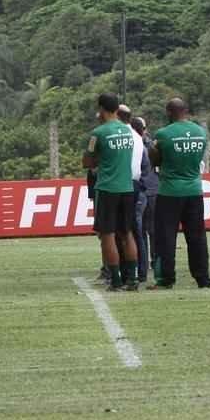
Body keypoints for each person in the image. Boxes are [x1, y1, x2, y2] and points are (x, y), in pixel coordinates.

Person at [149, 98, 210, 290]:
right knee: (197, 236)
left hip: (169, 191)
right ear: (186, 111)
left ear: (169, 112)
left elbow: (155, 160)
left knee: (166, 237)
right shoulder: (201, 133)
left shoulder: (163, 134)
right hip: (194, 189)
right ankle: (202, 278)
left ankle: (166, 279)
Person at [82, 94, 138, 291]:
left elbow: (87, 162)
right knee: (127, 234)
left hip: (107, 188)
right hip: (127, 187)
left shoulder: (98, 133)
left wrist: (99, 159)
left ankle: (114, 280)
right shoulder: (128, 131)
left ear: (101, 109)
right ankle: (132, 279)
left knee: (107, 235)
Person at [124, 114, 156, 284]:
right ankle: (144, 269)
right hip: (146, 191)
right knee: (143, 233)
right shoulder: (146, 144)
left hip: (140, 191)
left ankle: (139, 270)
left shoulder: (140, 144)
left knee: (139, 232)